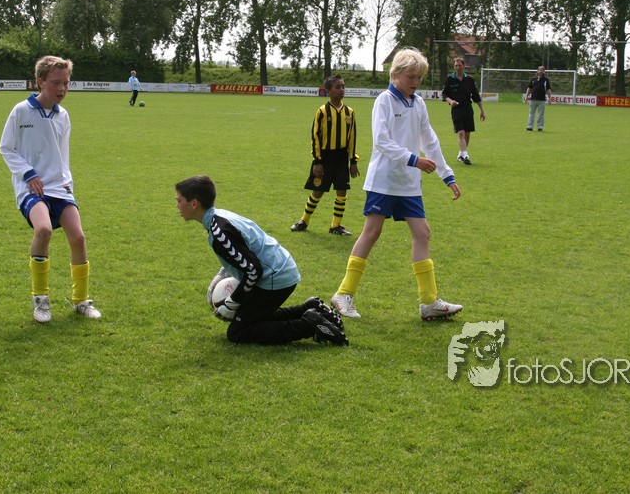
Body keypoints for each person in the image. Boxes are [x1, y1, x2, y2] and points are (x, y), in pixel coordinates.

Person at [330, 48, 463, 322]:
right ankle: (343, 294)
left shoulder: (419, 103)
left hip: (409, 183)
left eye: (420, 77)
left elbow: (430, 140)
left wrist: (447, 175)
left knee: (422, 233)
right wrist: (414, 160)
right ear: (396, 74)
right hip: (384, 179)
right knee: (372, 232)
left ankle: (429, 302)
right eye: (411, 76)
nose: (416, 82)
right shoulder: (385, 101)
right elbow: (381, 141)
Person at [175, 175, 347, 346]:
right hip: (280, 268)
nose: (177, 205)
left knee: (238, 332)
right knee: (251, 316)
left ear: (194, 203)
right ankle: (310, 308)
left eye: (179, 201)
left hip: (275, 276)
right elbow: (241, 252)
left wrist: (232, 301)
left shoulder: (219, 230)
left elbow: (253, 270)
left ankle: (310, 324)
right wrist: (221, 274)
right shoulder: (219, 217)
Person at [0, 56, 101, 323]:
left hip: (60, 185)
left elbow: (62, 155)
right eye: (56, 83)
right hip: (31, 186)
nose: (62, 88)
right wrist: (28, 173)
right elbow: (6, 148)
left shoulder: (63, 115)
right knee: (43, 229)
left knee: (78, 238)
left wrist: (68, 182)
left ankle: (81, 300)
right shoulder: (21, 111)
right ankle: (41, 300)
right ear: (40, 82)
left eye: (66, 83)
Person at [290, 75, 360, 235]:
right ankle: (303, 221)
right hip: (325, 158)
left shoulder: (349, 112)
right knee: (318, 190)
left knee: (342, 191)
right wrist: (317, 161)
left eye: (343, 86)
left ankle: (335, 226)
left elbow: (352, 138)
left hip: (341, 157)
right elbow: (315, 136)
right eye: (338, 87)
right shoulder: (322, 111)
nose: (342, 90)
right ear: (328, 91)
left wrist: (353, 162)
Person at [441, 57, 486, 165]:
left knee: (467, 133)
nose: (457, 67)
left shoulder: (469, 79)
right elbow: (444, 94)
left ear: (464, 66)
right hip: (456, 109)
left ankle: (461, 153)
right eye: (455, 66)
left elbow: (476, 96)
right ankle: (465, 155)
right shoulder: (450, 79)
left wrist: (482, 111)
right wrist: (450, 101)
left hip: (468, 109)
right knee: (460, 132)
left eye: (459, 65)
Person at [525, 65, 551, 131]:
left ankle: (540, 127)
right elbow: (529, 88)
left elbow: (548, 90)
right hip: (533, 99)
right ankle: (529, 127)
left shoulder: (546, 80)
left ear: (544, 72)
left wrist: (549, 98)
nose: (541, 71)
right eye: (540, 70)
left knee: (541, 115)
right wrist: (526, 96)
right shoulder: (533, 79)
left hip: (541, 100)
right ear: (537, 71)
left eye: (542, 70)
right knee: (531, 114)